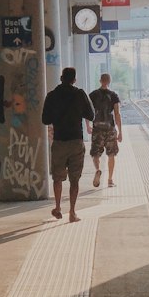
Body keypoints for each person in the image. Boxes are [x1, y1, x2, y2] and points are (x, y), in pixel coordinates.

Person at [41, 66, 94, 221]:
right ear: (74, 80)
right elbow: (91, 115)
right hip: (76, 141)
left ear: (61, 78)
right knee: (74, 179)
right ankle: (72, 212)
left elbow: (45, 119)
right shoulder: (80, 94)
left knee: (57, 178)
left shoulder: (52, 96)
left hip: (59, 142)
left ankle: (57, 207)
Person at [87, 71, 123, 187]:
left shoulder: (92, 95)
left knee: (95, 153)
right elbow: (117, 114)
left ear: (100, 81)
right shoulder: (113, 95)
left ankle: (98, 169)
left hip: (97, 128)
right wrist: (120, 131)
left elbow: (87, 112)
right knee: (111, 154)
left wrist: (88, 125)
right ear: (109, 81)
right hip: (110, 128)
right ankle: (110, 180)